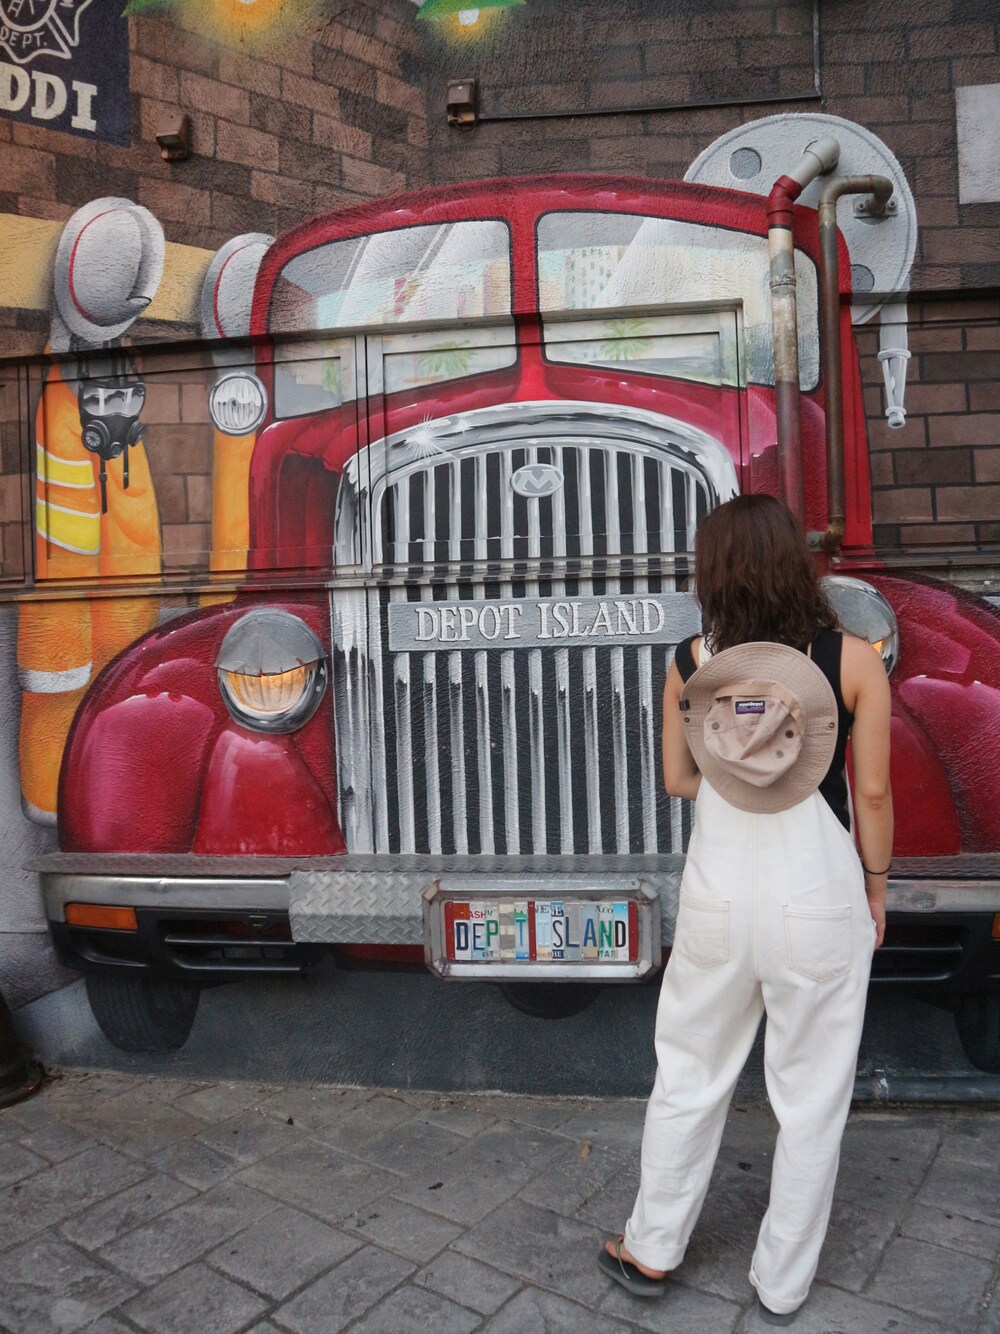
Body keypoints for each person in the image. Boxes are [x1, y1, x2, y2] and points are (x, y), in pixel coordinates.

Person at [598, 494, 893, 1325]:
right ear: (797, 563)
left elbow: (678, 780)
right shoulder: (854, 661)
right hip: (818, 899)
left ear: (714, 573)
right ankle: (783, 1285)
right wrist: (876, 888)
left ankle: (652, 1247)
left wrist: (740, 771)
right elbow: (872, 793)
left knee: (689, 1077)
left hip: (718, 900)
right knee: (812, 1098)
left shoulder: (690, 664)